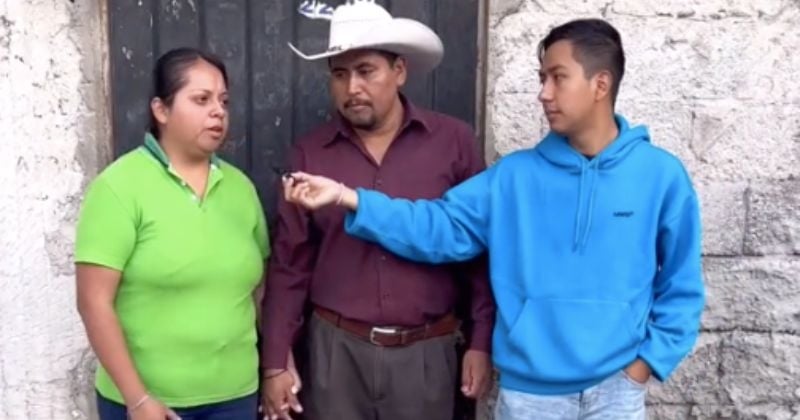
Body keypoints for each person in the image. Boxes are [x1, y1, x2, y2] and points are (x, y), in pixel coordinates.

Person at [281, 18, 706, 420]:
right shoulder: (512, 178)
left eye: (557, 77)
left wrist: (647, 364)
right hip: (529, 394)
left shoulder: (660, 176)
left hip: (617, 390)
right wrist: (349, 198)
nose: (544, 92)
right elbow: (437, 226)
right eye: (542, 78)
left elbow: (682, 284)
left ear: (600, 84)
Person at [260, 1, 495, 419]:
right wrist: (275, 360)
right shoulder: (310, 153)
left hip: (427, 355)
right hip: (336, 354)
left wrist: (481, 340)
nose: (352, 88)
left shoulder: (453, 142)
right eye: (339, 73)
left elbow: (478, 251)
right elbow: (289, 264)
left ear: (399, 71)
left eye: (366, 71)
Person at [75, 47, 269, 420]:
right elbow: (93, 302)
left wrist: (277, 363)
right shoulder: (119, 188)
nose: (218, 111)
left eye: (223, 101)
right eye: (201, 99)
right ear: (161, 110)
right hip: (148, 403)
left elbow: (260, 290)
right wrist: (138, 399)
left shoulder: (240, 189)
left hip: (236, 397)